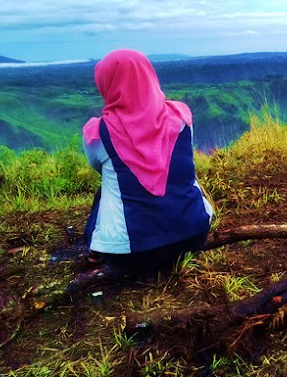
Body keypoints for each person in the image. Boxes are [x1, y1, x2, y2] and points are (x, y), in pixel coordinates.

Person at [82, 49, 213, 272]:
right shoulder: (182, 119)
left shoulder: (99, 133)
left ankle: (96, 252)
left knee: (106, 188)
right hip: (195, 234)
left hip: (133, 254)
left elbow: (97, 166)